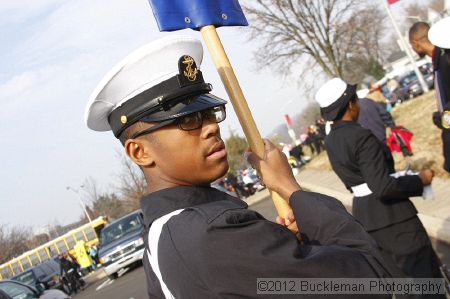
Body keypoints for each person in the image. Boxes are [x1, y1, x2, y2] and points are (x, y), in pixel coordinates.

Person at [85, 36, 392, 298]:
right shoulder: (212, 233)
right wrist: (290, 189)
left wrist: (289, 249)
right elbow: (372, 275)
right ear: (139, 151)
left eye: (210, 113)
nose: (211, 128)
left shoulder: (161, 234)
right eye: (188, 120)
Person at [315, 78, 443, 289]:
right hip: (394, 218)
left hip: (367, 217)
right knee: (425, 281)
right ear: (349, 104)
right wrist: (419, 180)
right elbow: (382, 186)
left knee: (403, 286)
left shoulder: (331, 141)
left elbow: (358, 180)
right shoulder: (361, 136)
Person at [409, 20, 450, 173]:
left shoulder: (444, 59)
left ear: (416, 42)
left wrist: (445, 118)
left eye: (411, 45)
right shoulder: (439, 58)